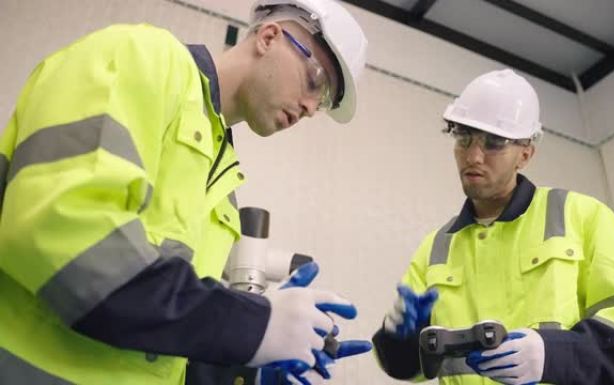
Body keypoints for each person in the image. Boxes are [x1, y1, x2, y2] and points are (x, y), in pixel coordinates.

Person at [0, 0, 370, 384]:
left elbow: (158, 344)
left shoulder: (224, 195)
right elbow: (64, 238)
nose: (312, 107)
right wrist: (251, 324)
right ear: (270, 36)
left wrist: (249, 369)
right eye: (315, 80)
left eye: (324, 101)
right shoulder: (142, 58)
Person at [372, 69, 614, 385]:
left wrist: (558, 356)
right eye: (464, 137)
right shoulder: (436, 248)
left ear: (526, 153)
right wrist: (396, 338)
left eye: (494, 142)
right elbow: (407, 368)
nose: (474, 156)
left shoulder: (580, 216)